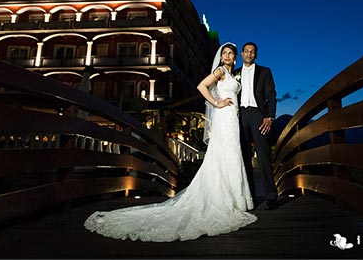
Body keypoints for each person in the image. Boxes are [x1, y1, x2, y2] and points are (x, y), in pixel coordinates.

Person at [84, 42, 256, 242]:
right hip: (224, 117)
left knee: (232, 155)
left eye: (230, 54)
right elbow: (201, 86)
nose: (227, 56)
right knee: (224, 155)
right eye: (224, 53)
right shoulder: (219, 71)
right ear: (222, 56)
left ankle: (235, 200)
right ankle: (225, 200)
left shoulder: (233, 72)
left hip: (232, 118)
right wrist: (216, 102)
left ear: (235, 57)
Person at [234, 42, 278, 210]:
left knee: (263, 155)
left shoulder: (265, 72)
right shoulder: (234, 72)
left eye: (252, 52)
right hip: (239, 116)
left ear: (256, 55)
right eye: (246, 51)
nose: (249, 54)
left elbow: (271, 95)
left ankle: (271, 196)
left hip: (258, 115)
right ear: (242, 54)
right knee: (243, 157)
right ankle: (249, 197)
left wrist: (270, 117)